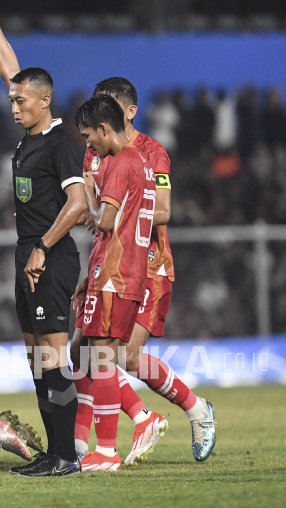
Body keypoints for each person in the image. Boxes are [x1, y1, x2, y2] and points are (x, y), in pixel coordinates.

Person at [0, 0, 86, 477]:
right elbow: (8, 68)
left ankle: (66, 456)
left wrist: (41, 248)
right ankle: (54, 452)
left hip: (50, 256)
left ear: (44, 101)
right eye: (13, 98)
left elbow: (79, 204)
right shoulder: (30, 135)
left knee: (53, 356)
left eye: (21, 100)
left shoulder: (61, 141)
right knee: (36, 357)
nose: (12, 104)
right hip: (28, 254)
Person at [72, 78, 216, 466]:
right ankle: (80, 445)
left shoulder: (152, 152)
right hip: (111, 262)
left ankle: (192, 409)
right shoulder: (97, 153)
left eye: (108, 107)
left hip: (149, 264)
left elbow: (164, 211)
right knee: (85, 350)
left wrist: (119, 208)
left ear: (127, 112)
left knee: (120, 356)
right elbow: (91, 208)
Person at [71, 94, 156, 472]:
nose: (89, 145)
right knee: (97, 356)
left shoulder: (120, 165)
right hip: (123, 273)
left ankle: (106, 450)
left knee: (100, 359)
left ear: (106, 129)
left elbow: (104, 222)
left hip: (114, 273)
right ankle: (109, 444)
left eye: (90, 137)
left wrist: (87, 192)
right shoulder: (140, 160)